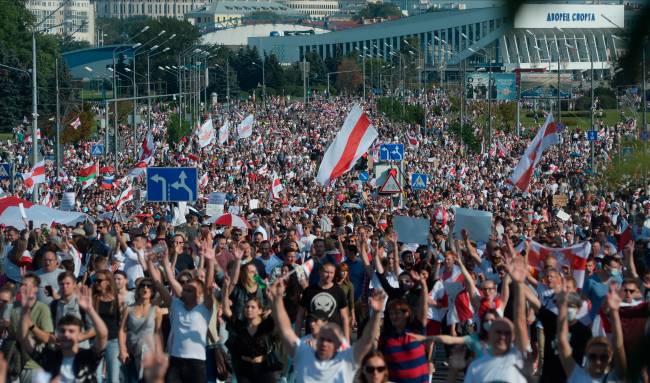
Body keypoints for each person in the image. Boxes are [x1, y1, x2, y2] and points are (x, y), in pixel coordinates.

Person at [268, 278, 385, 383]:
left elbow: (366, 341)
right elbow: (286, 331)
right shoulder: (303, 353)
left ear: (339, 344)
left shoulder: (347, 359)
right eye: (322, 339)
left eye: (330, 340)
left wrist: (376, 314)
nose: (324, 343)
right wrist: (277, 300)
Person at [18, 282, 108, 382]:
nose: (66, 334)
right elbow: (24, 339)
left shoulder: (87, 356)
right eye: (62, 331)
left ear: (79, 335)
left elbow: (103, 335)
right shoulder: (50, 358)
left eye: (71, 331)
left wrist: (90, 310)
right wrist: (25, 311)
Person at [153, 237, 215, 383]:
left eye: (189, 290)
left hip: (197, 363)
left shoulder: (204, 309)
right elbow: (171, 280)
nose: (183, 291)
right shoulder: (176, 305)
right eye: (184, 289)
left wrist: (210, 262)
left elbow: (209, 286)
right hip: (175, 361)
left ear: (198, 294)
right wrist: (166, 261)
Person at [463, 257, 532, 383]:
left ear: (495, 290)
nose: (487, 292)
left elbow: (506, 281)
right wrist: (461, 265)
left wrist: (511, 266)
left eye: (490, 289)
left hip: (500, 343)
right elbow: (469, 283)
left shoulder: (500, 303)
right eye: (484, 289)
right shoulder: (478, 303)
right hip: (482, 344)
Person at [556, 282, 626, 382]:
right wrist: (562, 306)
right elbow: (562, 341)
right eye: (593, 356)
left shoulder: (615, 377)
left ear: (610, 358)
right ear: (587, 354)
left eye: (604, 357)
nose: (598, 361)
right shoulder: (576, 374)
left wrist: (614, 312)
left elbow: (618, 346)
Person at [222, 275, 277, 383]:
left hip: (264, 369)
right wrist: (225, 290)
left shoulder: (266, 325)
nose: (249, 309)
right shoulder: (241, 326)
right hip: (244, 369)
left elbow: (277, 313)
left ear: (260, 310)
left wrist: (270, 296)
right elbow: (226, 311)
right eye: (247, 307)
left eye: (253, 307)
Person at [379, 270, 429, 383]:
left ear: (406, 314)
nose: (393, 317)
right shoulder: (386, 337)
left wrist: (423, 285)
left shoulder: (417, 330)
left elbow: (423, 307)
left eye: (397, 313)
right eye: (391, 314)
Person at [119, 276, 163, 383]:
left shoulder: (156, 310)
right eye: (143, 286)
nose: (146, 288)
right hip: (130, 352)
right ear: (138, 290)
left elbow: (158, 333)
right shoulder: (128, 308)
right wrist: (122, 349)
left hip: (148, 352)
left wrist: (159, 353)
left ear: (152, 291)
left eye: (149, 287)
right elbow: (121, 330)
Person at [296, 262, 351, 341]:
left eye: (332, 273)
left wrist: (346, 341)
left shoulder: (339, 291)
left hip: (334, 337)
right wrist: (297, 339)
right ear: (320, 272)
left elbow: (345, 318)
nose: (329, 275)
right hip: (312, 338)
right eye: (326, 272)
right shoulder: (309, 291)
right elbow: (299, 316)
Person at [93, 270, 123, 383]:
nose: (96, 283)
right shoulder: (93, 298)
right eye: (94, 280)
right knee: (96, 378)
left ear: (108, 282)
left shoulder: (117, 299)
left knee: (113, 378)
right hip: (96, 341)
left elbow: (121, 323)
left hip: (113, 341)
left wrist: (123, 346)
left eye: (99, 280)